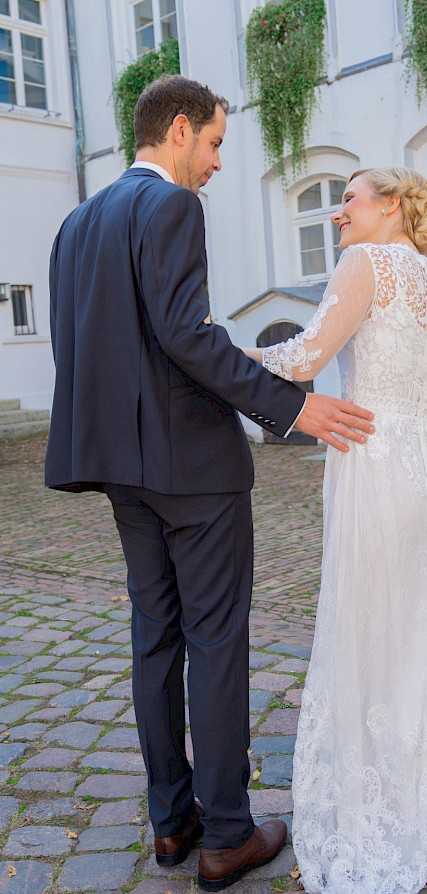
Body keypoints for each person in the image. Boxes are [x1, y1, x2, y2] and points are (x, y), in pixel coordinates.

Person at [44, 75, 375, 892]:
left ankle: (172, 824)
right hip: (193, 470)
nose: (219, 163)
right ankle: (228, 833)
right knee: (216, 642)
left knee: (155, 637)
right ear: (181, 129)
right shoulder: (171, 207)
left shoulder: (74, 224)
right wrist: (291, 407)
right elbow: (187, 335)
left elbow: (83, 346)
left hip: (122, 469)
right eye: (219, 143)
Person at [244, 166, 427, 894]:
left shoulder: (365, 264)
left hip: (376, 465)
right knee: (425, 641)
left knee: (368, 637)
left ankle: (372, 816)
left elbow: (306, 356)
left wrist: (224, 358)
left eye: (347, 199)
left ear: (389, 205)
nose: (338, 216)